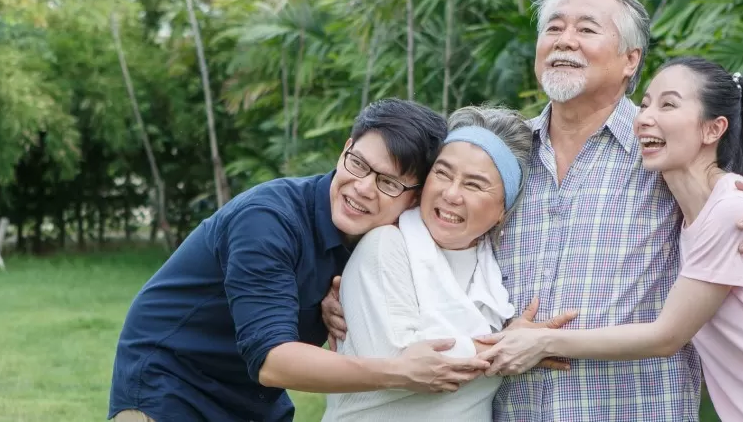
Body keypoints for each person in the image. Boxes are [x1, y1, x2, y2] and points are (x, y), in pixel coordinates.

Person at [324, 0, 743, 420]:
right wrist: (349, 291)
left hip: (632, 406)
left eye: (586, 29)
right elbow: (416, 213)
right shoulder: (504, 156)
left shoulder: (660, 147)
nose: (564, 40)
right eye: (553, 28)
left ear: (630, 60)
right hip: (512, 408)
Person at [473, 57, 743, 421]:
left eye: (668, 105)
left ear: (713, 129)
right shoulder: (694, 220)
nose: (644, 117)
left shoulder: (734, 212)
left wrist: (541, 339)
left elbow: (667, 335)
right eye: (646, 104)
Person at [108, 98, 492, 422]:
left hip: (252, 399)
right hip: (171, 386)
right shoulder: (267, 221)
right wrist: (401, 372)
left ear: (414, 197)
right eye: (358, 164)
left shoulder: (385, 240)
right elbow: (272, 362)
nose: (362, 188)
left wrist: (517, 338)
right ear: (345, 149)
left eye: (388, 182)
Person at [321, 107, 579, 422]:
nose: (451, 194)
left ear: (502, 209)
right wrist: (511, 346)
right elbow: (403, 363)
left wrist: (521, 343)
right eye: (442, 173)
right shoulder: (387, 245)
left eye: (474, 185)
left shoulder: (494, 274)